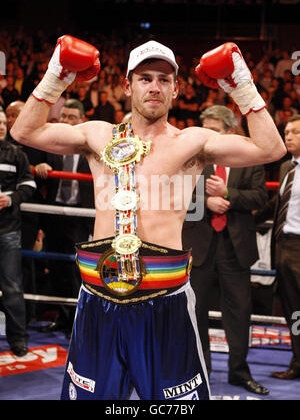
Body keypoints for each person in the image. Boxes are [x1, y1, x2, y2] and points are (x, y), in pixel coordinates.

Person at [11, 36, 286, 400]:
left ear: (175, 89)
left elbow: (271, 148)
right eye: (145, 78)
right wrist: (56, 75)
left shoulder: (192, 142)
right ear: (127, 85)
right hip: (99, 296)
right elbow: (24, 131)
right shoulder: (98, 135)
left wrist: (242, 88)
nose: (154, 87)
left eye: (163, 79)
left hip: (165, 297)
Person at [182, 105, 269, 395]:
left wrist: (228, 195)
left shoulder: (249, 157)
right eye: (205, 130)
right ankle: (200, 370)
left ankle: (239, 372)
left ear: (230, 131)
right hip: (200, 247)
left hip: (236, 249)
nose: (207, 137)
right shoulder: (193, 158)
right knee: (196, 312)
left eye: (214, 131)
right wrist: (205, 202)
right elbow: (177, 193)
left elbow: (260, 196)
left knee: (240, 314)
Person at [34, 99, 94, 336]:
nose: (66, 122)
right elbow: (37, 172)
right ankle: (63, 316)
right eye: (63, 117)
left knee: (78, 270)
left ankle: (79, 321)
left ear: (81, 120)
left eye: (72, 117)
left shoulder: (91, 147)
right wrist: (39, 166)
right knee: (57, 267)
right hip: (56, 214)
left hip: (81, 216)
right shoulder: (52, 145)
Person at [254, 114, 300, 380]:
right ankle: (297, 363)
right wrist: (248, 219)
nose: (289, 136)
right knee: (292, 309)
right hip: (283, 245)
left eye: (295, 132)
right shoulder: (286, 168)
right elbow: (276, 204)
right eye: (287, 132)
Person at [0, 108, 36, 357]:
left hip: (8, 229)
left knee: (12, 287)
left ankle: (18, 340)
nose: (2, 126)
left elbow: (29, 184)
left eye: (3, 122)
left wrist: (11, 198)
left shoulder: (16, 154)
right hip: (8, 231)